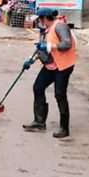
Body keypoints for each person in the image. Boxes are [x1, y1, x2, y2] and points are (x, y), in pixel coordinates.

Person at [22, 8, 77, 139]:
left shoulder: (60, 27)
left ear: (45, 18)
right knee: (38, 87)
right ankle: (39, 122)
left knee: (60, 95)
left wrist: (49, 46)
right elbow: (40, 49)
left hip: (63, 66)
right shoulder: (45, 30)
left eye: (40, 19)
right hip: (51, 65)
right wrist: (31, 60)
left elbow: (67, 44)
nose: (39, 22)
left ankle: (64, 128)